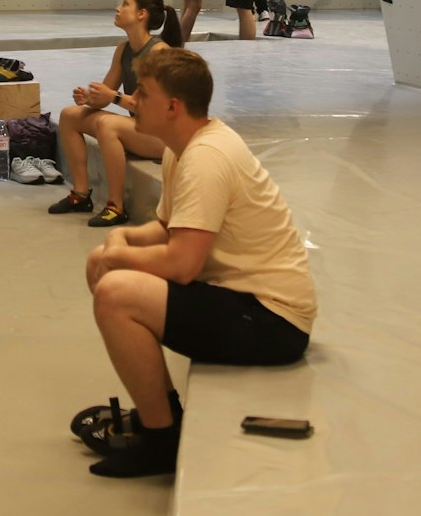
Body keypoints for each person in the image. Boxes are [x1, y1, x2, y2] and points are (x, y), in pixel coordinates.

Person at [78, 47, 316, 477]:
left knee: (116, 293)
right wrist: (121, 239)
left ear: (172, 107)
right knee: (108, 267)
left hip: (273, 321)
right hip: (242, 299)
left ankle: (162, 439)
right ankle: (161, 418)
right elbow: (167, 229)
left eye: (143, 94)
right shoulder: (181, 147)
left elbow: (183, 264)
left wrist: (118, 258)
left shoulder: (206, 158)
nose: (133, 99)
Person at [49, 0, 184, 227]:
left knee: (106, 123)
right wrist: (89, 98)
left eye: (125, 4)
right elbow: (106, 94)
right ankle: (80, 194)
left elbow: (150, 106)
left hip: (165, 138)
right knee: (69, 115)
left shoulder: (159, 52)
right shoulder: (124, 49)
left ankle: (116, 206)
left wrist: (113, 96)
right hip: (143, 128)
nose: (118, 8)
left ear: (141, 14)